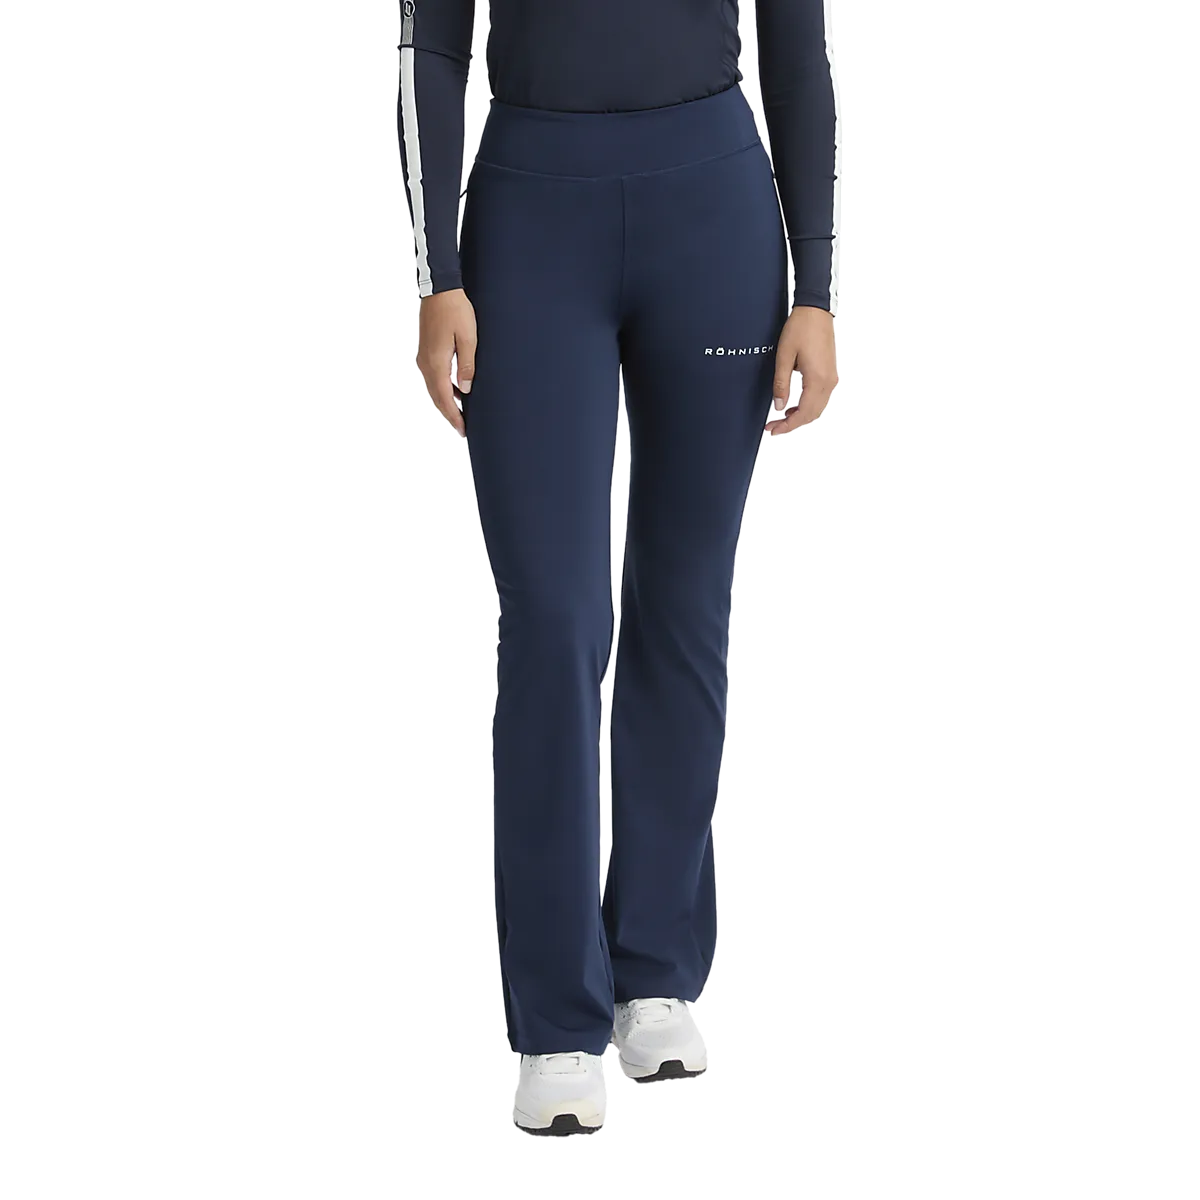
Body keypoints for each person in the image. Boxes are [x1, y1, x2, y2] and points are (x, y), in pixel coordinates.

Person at [397, 0, 838, 1136]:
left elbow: (796, 45)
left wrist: (816, 289)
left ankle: (657, 977)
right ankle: (554, 1019)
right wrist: (437, 272)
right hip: (531, 224)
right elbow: (432, 44)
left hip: (715, 215)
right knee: (554, 619)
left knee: (683, 604)